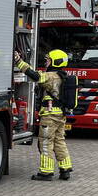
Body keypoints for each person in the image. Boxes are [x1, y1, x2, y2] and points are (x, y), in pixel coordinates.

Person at [16, 49, 73, 181]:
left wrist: (19, 61)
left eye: (48, 60)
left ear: (56, 62)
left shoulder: (51, 76)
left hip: (49, 116)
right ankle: (65, 169)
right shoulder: (62, 76)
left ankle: (46, 172)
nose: (46, 62)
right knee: (59, 141)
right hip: (60, 115)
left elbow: (34, 75)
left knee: (46, 142)